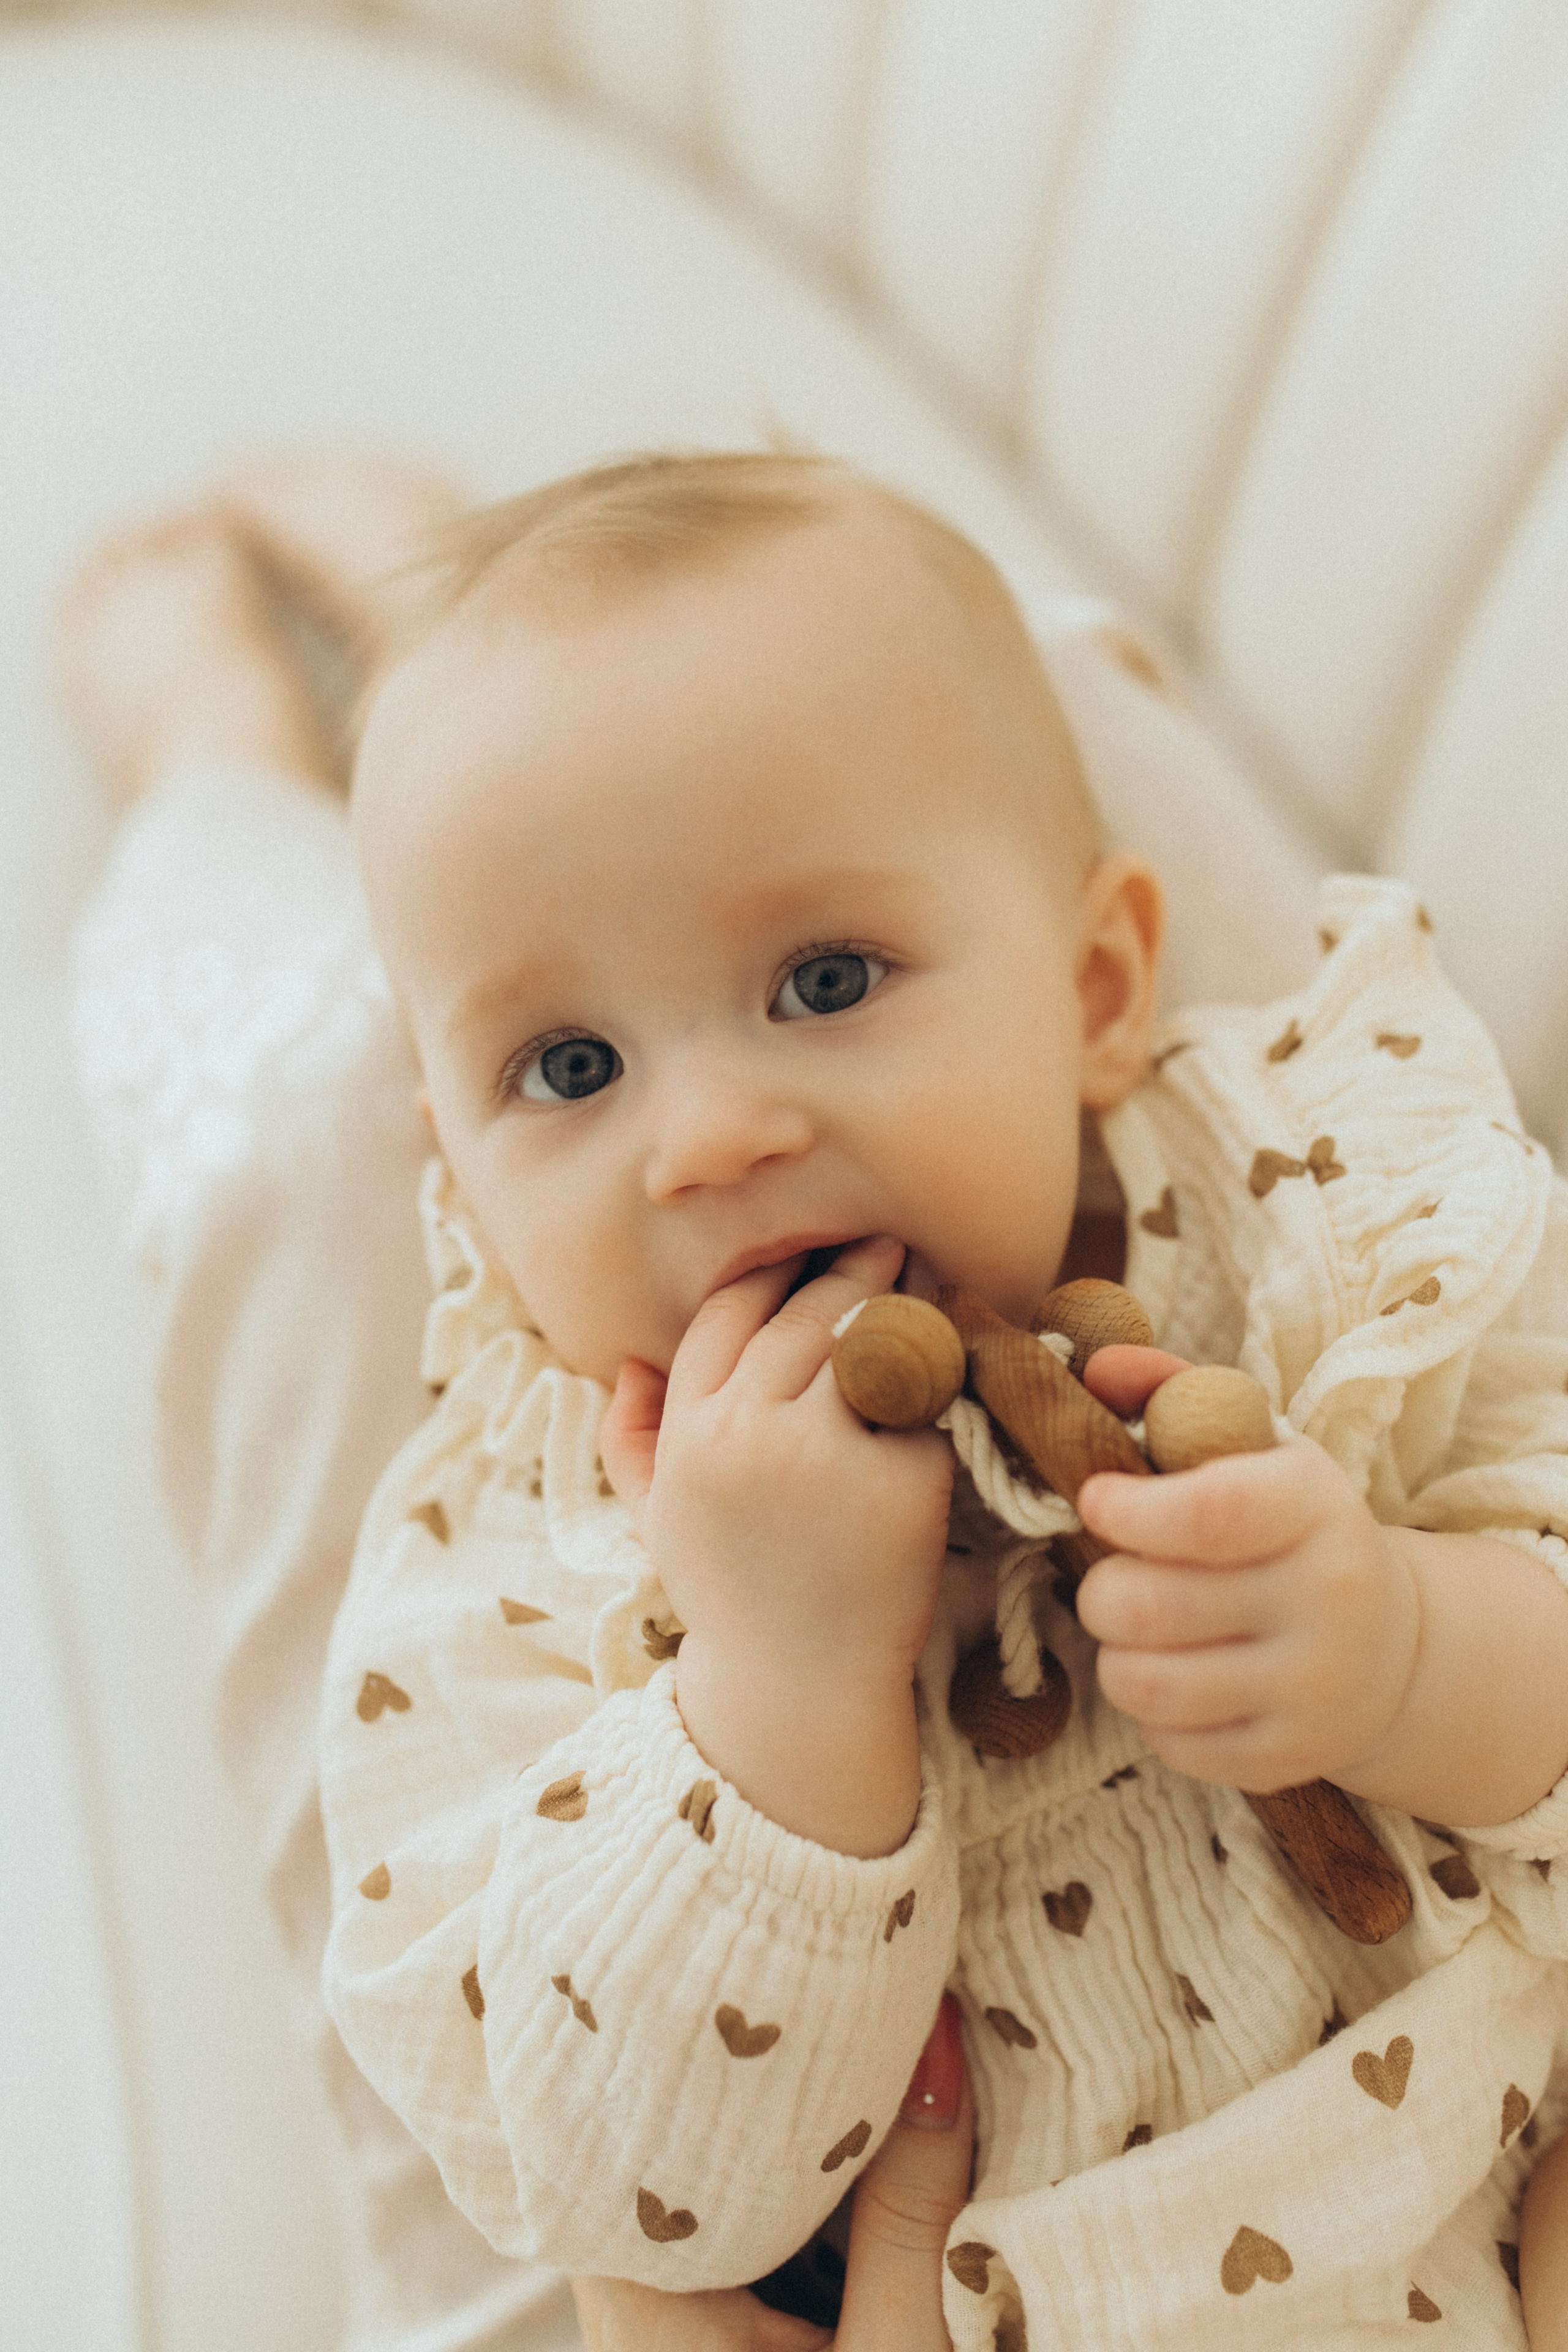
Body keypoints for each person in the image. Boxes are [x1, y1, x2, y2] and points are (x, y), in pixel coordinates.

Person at [62, 450, 1568, 2350]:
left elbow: (596, 2226)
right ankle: (368, 685)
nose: (705, 1141)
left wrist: (1416, 1650)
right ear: (464, 1182)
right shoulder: (517, 1554)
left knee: (289, 1134)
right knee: (966, 697)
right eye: (576, 1064)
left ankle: (270, 726)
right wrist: (767, 1702)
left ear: (1104, 988)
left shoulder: (1309, 1219)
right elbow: (610, 2166)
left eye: (828, 978)